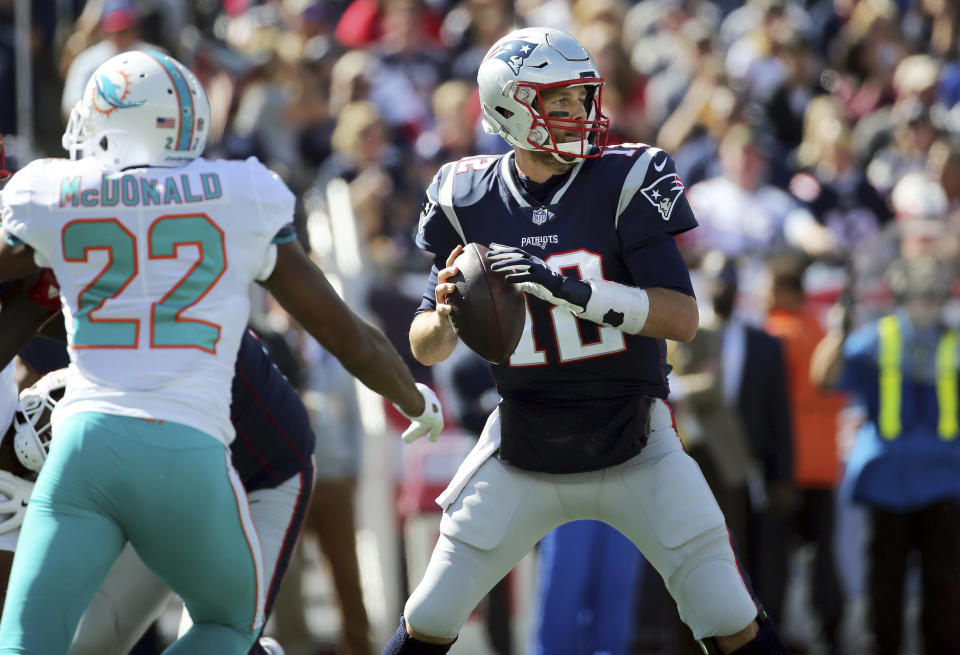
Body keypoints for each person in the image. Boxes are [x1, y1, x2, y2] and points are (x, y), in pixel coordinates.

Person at [0, 50, 442, 655]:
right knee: (232, 626)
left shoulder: (51, 190)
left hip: (87, 442)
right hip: (190, 448)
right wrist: (414, 399)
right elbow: (345, 335)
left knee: (26, 641)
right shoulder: (239, 192)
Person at [384, 26, 789, 655]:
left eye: (582, 97)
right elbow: (425, 346)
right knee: (429, 616)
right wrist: (444, 315)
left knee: (729, 616)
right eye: (559, 101)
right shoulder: (466, 195)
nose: (579, 115)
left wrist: (571, 291)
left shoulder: (627, 178)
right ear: (510, 110)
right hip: (525, 441)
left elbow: (682, 318)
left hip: (636, 438)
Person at [811, 255, 960, 655]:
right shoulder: (878, 338)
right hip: (888, 481)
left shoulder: (954, 341)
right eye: (917, 296)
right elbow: (825, 380)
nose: (925, 304)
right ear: (899, 297)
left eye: (932, 296)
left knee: (945, 585)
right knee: (886, 584)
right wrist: (837, 333)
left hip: (946, 482)